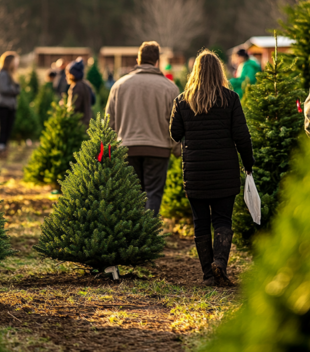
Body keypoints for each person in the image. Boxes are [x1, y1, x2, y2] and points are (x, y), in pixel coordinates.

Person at [170, 49, 254, 287]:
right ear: (219, 72)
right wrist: (248, 165)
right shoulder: (231, 99)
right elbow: (242, 137)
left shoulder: (182, 100)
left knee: (200, 222)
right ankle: (220, 263)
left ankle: (208, 274)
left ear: (195, 72)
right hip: (224, 172)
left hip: (195, 173)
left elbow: (175, 134)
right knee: (222, 220)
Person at [106, 41, 180, 216]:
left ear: (138, 59)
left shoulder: (119, 86)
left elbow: (109, 122)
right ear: (157, 61)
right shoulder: (170, 88)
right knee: (153, 193)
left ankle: (135, 235)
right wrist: (178, 150)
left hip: (127, 148)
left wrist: (106, 150)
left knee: (134, 194)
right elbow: (176, 125)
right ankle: (149, 234)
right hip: (159, 149)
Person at [0, 51, 20, 157]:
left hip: (10, 105)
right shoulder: (3, 73)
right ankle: (0, 150)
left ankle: (4, 149)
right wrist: (14, 90)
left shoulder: (11, 74)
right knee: (3, 128)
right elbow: (4, 89)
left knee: (8, 128)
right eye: (15, 62)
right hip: (3, 105)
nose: (17, 64)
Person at [66, 57, 95, 127]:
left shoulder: (76, 87)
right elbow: (93, 101)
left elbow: (74, 108)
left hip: (79, 125)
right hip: (88, 122)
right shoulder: (86, 85)